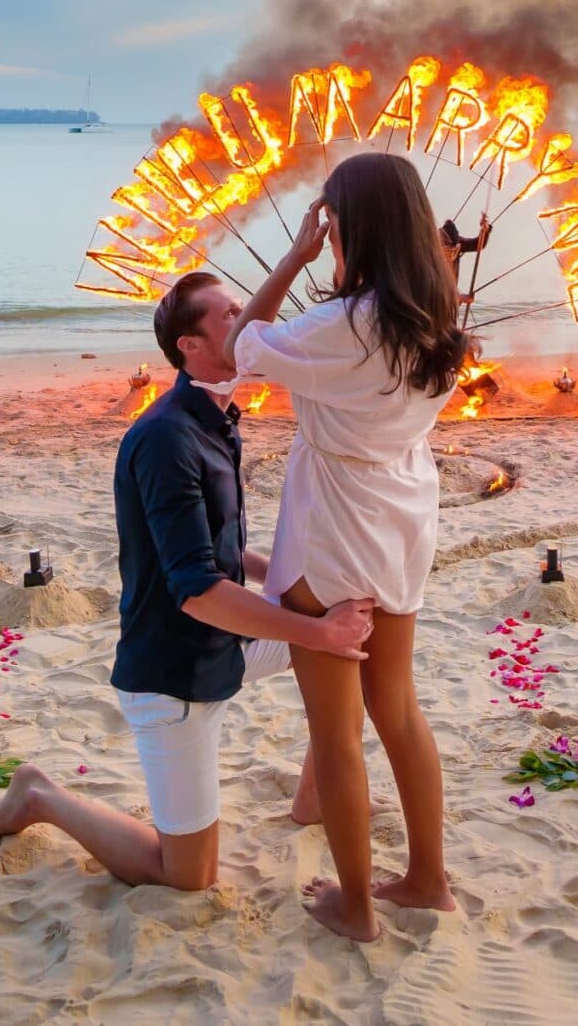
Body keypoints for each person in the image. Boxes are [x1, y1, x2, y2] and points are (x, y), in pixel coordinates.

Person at [0, 272, 374, 890]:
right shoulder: (165, 438)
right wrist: (313, 632)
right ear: (190, 344)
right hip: (173, 678)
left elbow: (224, 554)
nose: (249, 320)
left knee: (353, 643)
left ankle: (315, 799)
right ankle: (39, 797)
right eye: (231, 313)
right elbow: (199, 590)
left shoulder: (216, 417)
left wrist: (308, 598)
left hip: (223, 649)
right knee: (188, 877)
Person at [221, 151, 468, 942]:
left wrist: (294, 254)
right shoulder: (438, 326)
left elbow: (239, 347)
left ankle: (357, 904)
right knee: (397, 706)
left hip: (334, 525)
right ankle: (427, 877)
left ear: (349, 228)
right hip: (401, 517)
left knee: (336, 729)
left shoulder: (341, 328)